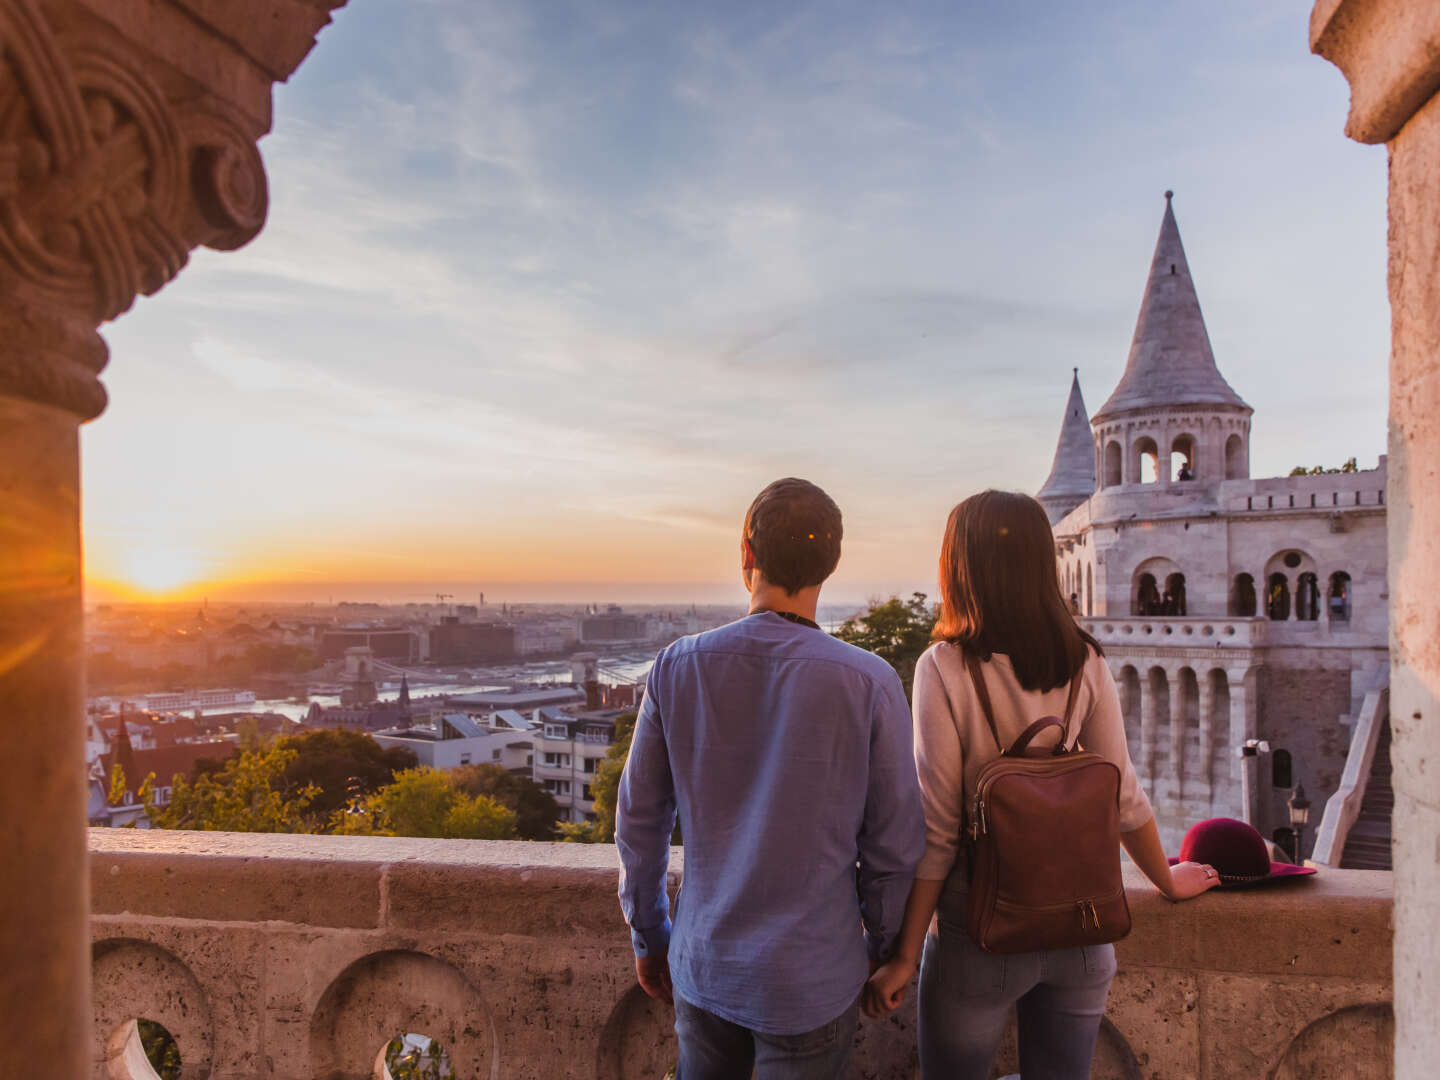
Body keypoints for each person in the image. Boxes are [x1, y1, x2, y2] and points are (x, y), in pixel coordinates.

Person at [862, 490, 1218, 1080]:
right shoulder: (1084, 659)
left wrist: (903, 955)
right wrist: (1167, 882)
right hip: (1082, 930)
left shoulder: (944, 667)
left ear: (960, 564)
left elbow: (939, 829)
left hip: (980, 934)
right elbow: (1122, 794)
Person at [616, 477, 925, 1079]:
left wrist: (650, 934)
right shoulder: (870, 681)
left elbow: (640, 824)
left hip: (704, 961)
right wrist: (886, 952)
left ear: (746, 555)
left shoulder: (677, 666)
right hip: (812, 975)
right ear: (829, 566)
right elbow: (893, 847)